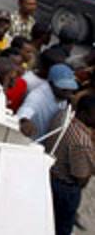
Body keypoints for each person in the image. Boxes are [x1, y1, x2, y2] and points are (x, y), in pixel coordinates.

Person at [45, 94, 95, 235]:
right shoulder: (82, 142)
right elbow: (81, 178)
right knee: (62, 227)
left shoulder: (62, 115)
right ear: (84, 114)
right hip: (65, 189)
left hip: (50, 174)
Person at [18, 63, 77, 140]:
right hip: (29, 140)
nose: (68, 91)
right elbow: (27, 108)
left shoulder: (62, 96)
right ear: (51, 83)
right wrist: (24, 120)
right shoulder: (38, 95)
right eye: (64, 88)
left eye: (70, 87)